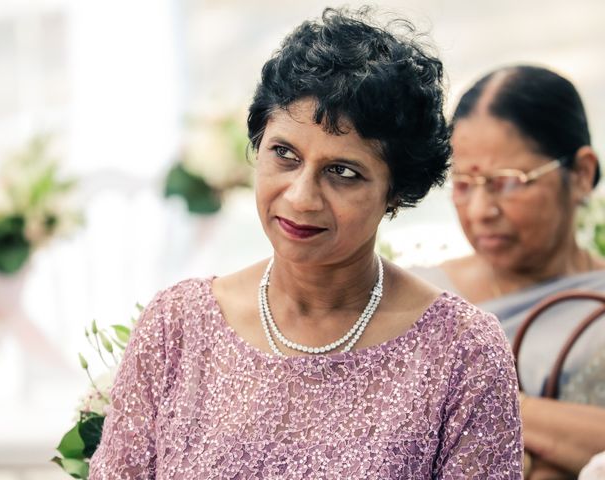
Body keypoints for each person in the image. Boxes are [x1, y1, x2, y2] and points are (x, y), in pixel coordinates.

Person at [89, 9, 522, 478]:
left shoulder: (463, 352)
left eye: (343, 172)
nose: (300, 197)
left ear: (397, 191)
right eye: (284, 155)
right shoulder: (176, 327)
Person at [414, 65, 605, 478]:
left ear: (582, 174)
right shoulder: (415, 301)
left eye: (508, 182)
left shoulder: (597, 303)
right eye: (464, 184)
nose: (481, 211)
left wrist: (477, 399)